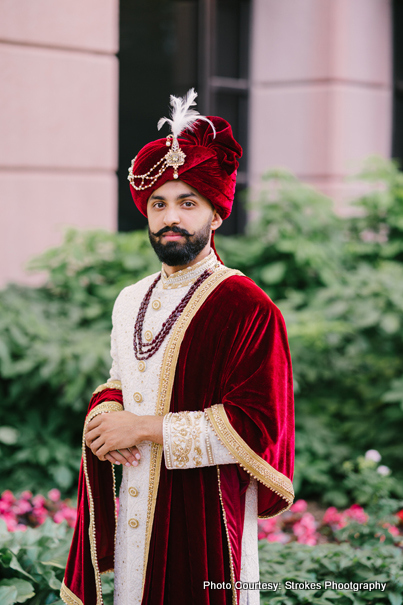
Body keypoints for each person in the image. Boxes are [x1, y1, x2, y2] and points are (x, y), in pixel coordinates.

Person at [61, 89, 294, 605]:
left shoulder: (247, 306)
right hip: (135, 516)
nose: (171, 216)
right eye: (159, 203)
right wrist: (106, 413)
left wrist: (140, 427)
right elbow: (122, 378)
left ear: (215, 214)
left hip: (206, 520)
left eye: (188, 203)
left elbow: (259, 424)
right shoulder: (129, 299)